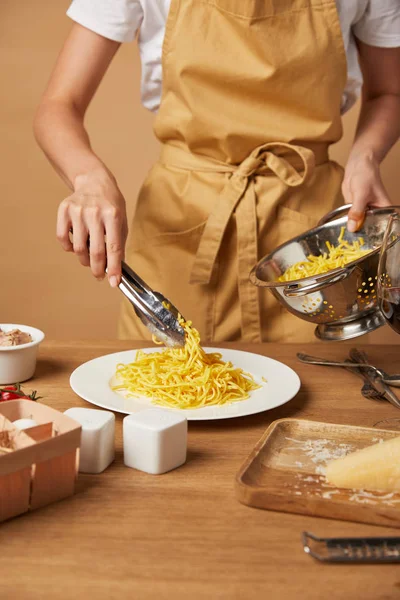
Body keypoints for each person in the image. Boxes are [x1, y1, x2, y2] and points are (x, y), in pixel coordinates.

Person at [34, 0, 400, 343]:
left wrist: (365, 157)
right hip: (181, 230)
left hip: (308, 249)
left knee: (321, 396)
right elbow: (58, 106)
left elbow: (389, 91)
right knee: (160, 394)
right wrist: (90, 179)